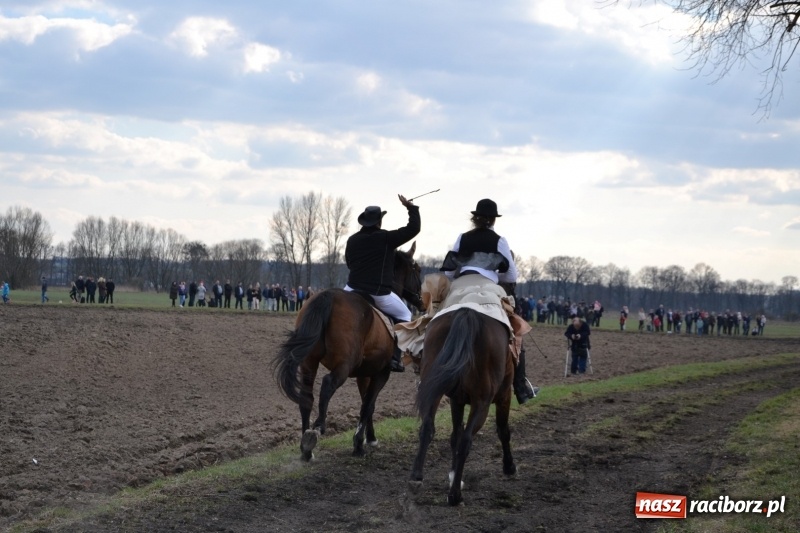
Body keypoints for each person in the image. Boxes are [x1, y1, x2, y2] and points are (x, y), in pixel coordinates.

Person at [440, 198, 537, 404]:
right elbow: (511, 276)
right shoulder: (500, 241)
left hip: (461, 287)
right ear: (493, 220)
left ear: (474, 218)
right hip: (489, 288)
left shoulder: (462, 238)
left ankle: (424, 374)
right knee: (514, 331)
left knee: (433, 321)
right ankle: (521, 387)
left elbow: (449, 272)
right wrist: (493, 275)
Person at [345, 194, 420, 372]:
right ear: (380, 222)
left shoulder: (352, 240)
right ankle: (395, 358)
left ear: (364, 222)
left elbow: (349, 263)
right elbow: (413, 228)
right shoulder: (386, 238)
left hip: (351, 288)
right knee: (406, 314)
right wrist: (411, 208)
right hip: (377, 293)